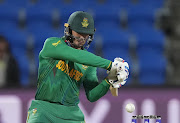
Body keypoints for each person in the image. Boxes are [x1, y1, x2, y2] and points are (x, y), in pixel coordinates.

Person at [26, 11, 129, 123]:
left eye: (86, 34)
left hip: (72, 115)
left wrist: (108, 81)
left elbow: (92, 96)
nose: (82, 37)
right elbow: (75, 55)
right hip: (44, 110)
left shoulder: (89, 62)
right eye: (78, 32)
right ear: (69, 30)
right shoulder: (52, 44)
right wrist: (110, 65)